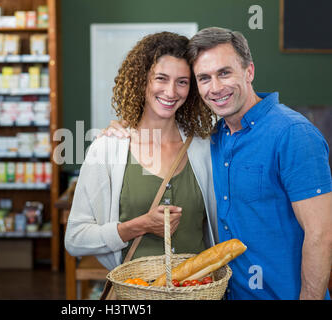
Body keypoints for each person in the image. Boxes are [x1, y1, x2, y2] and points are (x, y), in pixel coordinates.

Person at [103, 27, 332, 300]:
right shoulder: (213, 138)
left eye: (224, 73)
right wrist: (126, 128)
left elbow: (322, 234)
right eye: (204, 78)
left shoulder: (293, 133)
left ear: (249, 72)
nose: (216, 88)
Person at [64, 32, 219, 272]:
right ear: (142, 80)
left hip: (199, 291)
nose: (171, 91)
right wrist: (138, 226)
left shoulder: (205, 148)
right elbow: (75, 239)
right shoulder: (107, 149)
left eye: (182, 81)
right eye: (161, 78)